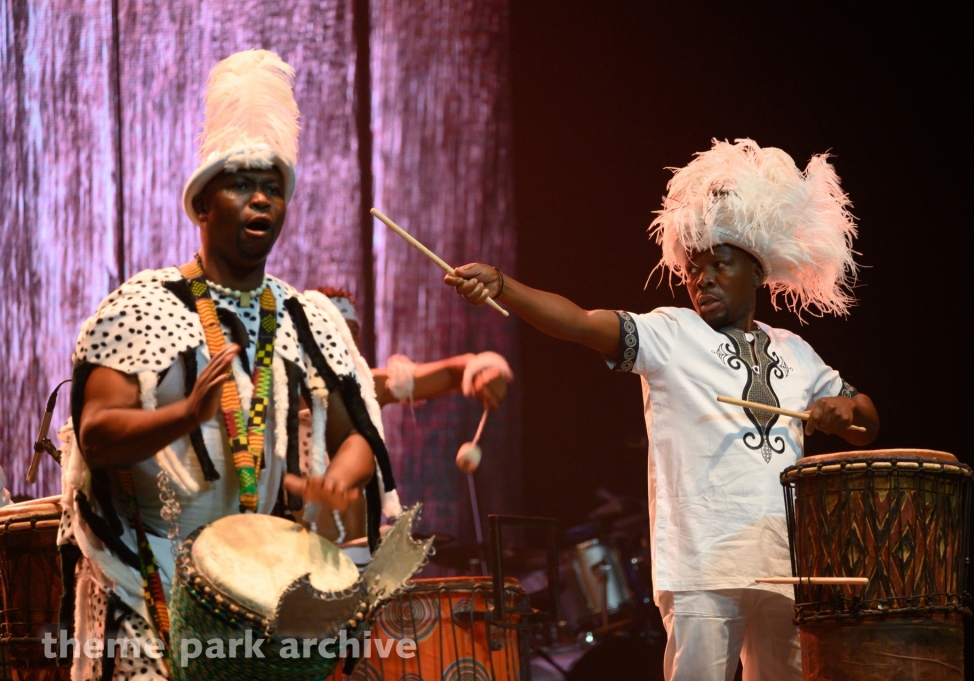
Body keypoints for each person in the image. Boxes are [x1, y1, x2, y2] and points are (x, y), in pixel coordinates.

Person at [446, 139, 879, 681]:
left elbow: (865, 417)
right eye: (693, 269)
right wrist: (504, 286)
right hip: (702, 566)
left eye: (718, 265)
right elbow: (580, 322)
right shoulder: (670, 333)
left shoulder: (795, 350)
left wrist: (844, 410)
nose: (702, 279)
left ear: (756, 271)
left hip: (785, 569)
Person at [57, 50, 396, 680]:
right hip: (146, 578)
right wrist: (185, 412)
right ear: (202, 205)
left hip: (261, 592)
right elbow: (98, 433)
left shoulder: (308, 317)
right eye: (241, 184)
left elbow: (355, 439)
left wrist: (341, 480)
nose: (261, 199)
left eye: (273, 187)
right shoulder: (142, 306)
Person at [298, 287, 512, 567]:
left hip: (358, 564)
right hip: (296, 560)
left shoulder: (368, 388)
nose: (343, 346)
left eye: (351, 335)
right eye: (331, 334)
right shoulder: (274, 398)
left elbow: (451, 371)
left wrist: (483, 370)